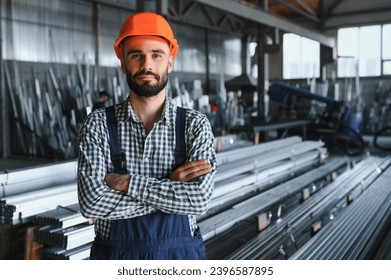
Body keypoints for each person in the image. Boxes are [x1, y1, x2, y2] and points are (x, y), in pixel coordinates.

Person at [77, 12, 216, 260]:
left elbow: (198, 201)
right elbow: (91, 203)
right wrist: (171, 187)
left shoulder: (195, 126)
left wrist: (126, 182)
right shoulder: (97, 125)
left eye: (156, 55)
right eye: (136, 55)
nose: (146, 65)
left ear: (170, 62)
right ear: (123, 63)